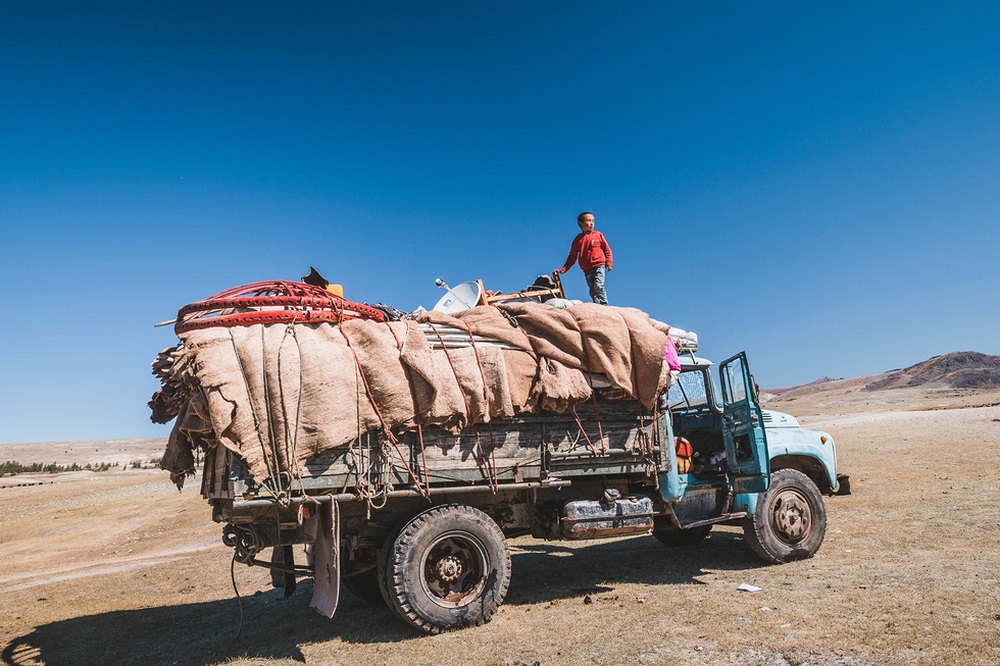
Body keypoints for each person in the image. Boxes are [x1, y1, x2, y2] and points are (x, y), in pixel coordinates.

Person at [555, 211, 613, 305]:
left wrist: (609, 261)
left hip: (599, 265)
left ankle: (603, 304)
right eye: (588, 221)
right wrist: (563, 269)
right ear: (580, 223)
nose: (591, 223)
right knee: (592, 289)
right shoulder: (578, 240)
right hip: (587, 268)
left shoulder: (598, 235)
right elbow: (572, 257)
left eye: (593, 221)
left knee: (598, 285)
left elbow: (607, 249)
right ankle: (596, 304)